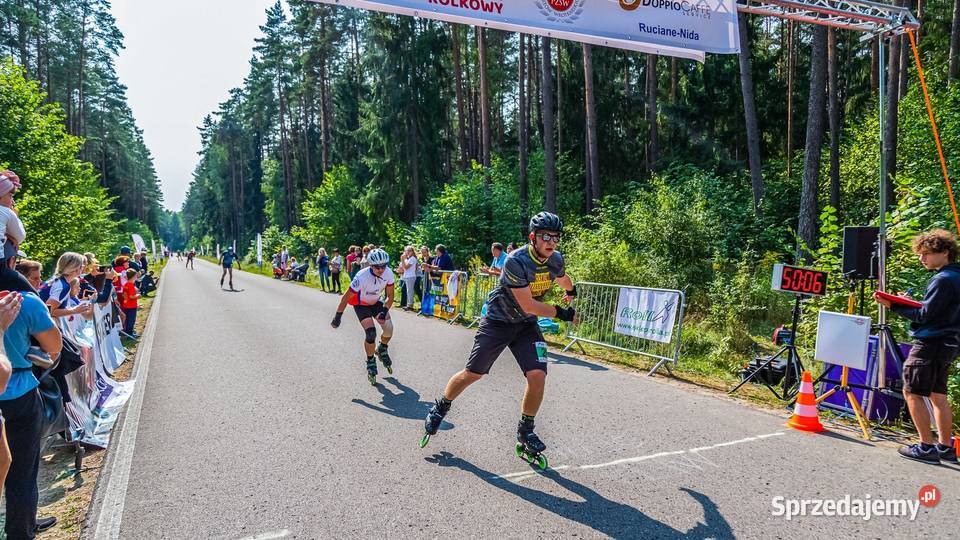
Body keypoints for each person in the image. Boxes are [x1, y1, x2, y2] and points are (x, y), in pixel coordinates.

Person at [421, 212, 577, 462]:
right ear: (533, 237)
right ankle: (441, 406)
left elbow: (562, 277)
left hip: (525, 325)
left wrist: (571, 290)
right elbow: (529, 304)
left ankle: (526, 430)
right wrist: (562, 313)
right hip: (498, 321)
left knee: (538, 375)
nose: (551, 242)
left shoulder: (555, 258)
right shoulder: (516, 261)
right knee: (473, 373)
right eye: (545, 237)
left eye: (555, 237)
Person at [875, 229, 960, 464]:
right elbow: (938, 309)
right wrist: (910, 303)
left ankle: (925, 447)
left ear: (945, 252)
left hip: (930, 343)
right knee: (938, 395)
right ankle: (945, 447)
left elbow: (925, 315)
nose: (922, 259)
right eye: (920, 254)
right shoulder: (956, 276)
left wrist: (894, 305)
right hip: (950, 343)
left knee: (912, 392)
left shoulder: (942, 279)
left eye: (926, 254)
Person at [0, 288, 62, 539]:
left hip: (16, 389)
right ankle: (21, 529)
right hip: (18, 391)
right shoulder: (24, 301)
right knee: (22, 467)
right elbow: (54, 345)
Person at [330, 248, 397, 386]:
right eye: (377, 267)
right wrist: (338, 317)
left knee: (389, 329)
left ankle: (382, 348)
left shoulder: (388, 273)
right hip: (361, 304)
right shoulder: (361, 276)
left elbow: (390, 296)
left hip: (376, 302)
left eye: (384, 266)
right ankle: (371, 360)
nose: (381, 269)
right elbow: (346, 297)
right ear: (371, 265)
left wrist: (385, 310)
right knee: (371, 333)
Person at [121, 268, 140, 337]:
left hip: (126, 305)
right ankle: (130, 334)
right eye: (136, 275)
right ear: (134, 276)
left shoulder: (126, 284)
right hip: (131, 306)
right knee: (131, 320)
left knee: (128, 319)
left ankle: (128, 332)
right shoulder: (131, 285)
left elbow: (123, 295)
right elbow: (132, 296)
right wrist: (138, 296)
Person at [399, 246, 418, 311]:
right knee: (408, 291)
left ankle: (410, 305)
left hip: (411, 276)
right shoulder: (408, 259)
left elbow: (406, 267)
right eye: (407, 250)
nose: (408, 252)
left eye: (410, 250)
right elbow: (402, 267)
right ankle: (409, 304)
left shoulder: (413, 258)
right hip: (407, 276)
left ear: (412, 252)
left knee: (410, 291)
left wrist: (402, 259)